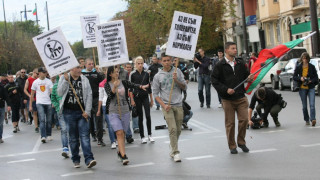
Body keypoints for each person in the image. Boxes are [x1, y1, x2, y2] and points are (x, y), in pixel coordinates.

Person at [211, 42, 253, 154]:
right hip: (227, 99)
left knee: (244, 120)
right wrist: (225, 90)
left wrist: (249, 78)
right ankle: (232, 145)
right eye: (233, 48)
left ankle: (241, 142)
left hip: (240, 97)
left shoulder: (240, 62)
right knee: (230, 123)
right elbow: (214, 81)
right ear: (226, 50)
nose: (235, 50)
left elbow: (245, 76)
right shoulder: (220, 65)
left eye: (236, 48)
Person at [104, 66, 149, 165]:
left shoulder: (123, 82)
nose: (117, 74)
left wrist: (141, 86)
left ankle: (120, 152)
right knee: (119, 132)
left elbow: (132, 85)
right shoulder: (107, 84)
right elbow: (110, 96)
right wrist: (114, 87)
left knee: (123, 133)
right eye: (115, 72)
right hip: (113, 111)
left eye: (118, 72)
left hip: (124, 110)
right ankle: (124, 155)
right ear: (110, 74)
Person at [58, 66, 96, 168]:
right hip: (69, 112)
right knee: (73, 138)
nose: (79, 70)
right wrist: (66, 81)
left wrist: (87, 111)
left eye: (80, 68)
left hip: (82, 112)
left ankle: (89, 159)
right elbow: (59, 92)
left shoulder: (84, 79)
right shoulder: (64, 78)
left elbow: (89, 95)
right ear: (71, 69)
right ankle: (75, 158)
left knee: (84, 136)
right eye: (77, 68)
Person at [152, 53, 187, 162]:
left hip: (178, 104)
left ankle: (172, 145)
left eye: (168, 60)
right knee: (172, 129)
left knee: (178, 130)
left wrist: (176, 80)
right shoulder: (158, 76)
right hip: (167, 106)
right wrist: (163, 105)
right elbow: (155, 94)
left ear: (172, 61)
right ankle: (176, 152)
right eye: (164, 60)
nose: (167, 62)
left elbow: (184, 86)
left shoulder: (178, 71)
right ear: (161, 62)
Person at [129, 56, 154, 144]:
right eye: (138, 63)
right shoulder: (132, 74)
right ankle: (142, 136)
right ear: (135, 64)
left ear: (143, 64)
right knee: (140, 117)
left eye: (141, 63)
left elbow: (149, 87)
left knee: (148, 116)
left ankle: (150, 135)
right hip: (137, 97)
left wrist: (152, 99)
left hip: (145, 97)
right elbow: (130, 88)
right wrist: (132, 100)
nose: (140, 65)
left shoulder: (146, 74)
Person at [82, 58, 105, 146]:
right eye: (89, 64)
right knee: (89, 119)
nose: (91, 65)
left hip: (96, 98)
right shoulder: (82, 75)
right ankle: (92, 134)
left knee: (98, 118)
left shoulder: (97, 74)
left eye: (92, 64)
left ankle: (100, 138)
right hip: (87, 99)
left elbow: (102, 84)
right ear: (85, 65)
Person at [293, 52, 318, 126]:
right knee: (304, 106)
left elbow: (316, 77)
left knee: (312, 104)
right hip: (302, 88)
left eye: (306, 58)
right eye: (303, 58)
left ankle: (313, 119)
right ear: (301, 59)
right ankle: (306, 119)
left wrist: (310, 80)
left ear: (308, 59)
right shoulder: (299, 67)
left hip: (311, 87)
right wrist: (300, 78)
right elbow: (294, 76)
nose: (305, 60)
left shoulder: (312, 67)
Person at [30, 67, 53, 143]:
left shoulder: (49, 81)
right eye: (43, 72)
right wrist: (30, 105)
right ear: (39, 73)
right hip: (39, 102)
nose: (45, 73)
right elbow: (32, 94)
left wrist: (53, 101)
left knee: (49, 120)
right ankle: (43, 136)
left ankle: (49, 134)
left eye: (45, 72)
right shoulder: (35, 82)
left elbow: (51, 92)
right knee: (42, 119)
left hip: (48, 102)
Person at [97, 69, 117, 149]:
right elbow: (100, 97)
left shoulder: (117, 82)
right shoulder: (102, 84)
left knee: (116, 123)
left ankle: (117, 138)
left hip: (116, 104)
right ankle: (113, 141)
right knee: (110, 124)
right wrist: (99, 109)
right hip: (106, 105)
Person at [51, 74, 70, 158]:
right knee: (64, 129)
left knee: (72, 129)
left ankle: (75, 143)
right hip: (61, 111)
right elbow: (53, 98)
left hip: (70, 110)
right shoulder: (55, 86)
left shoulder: (70, 84)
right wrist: (57, 106)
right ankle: (65, 147)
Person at [125, 63, 139, 134]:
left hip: (132, 94)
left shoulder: (134, 74)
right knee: (127, 113)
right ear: (125, 67)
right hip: (125, 96)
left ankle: (136, 127)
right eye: (127, 67)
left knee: (134, 111)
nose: (128, 68)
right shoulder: (124, 75)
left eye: (130, 67)